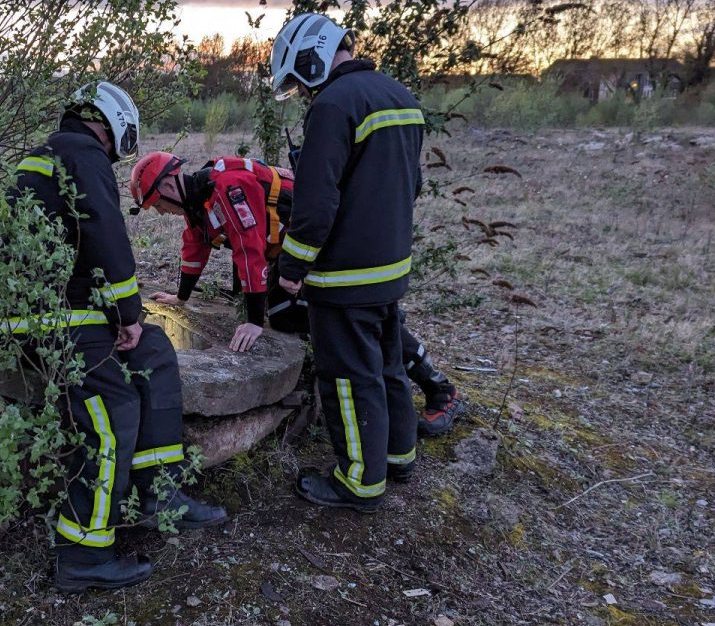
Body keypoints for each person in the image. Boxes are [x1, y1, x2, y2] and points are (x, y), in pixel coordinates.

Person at [0, 81, 226, 593]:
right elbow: (104, 233)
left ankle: (158, 492)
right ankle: (82, 552)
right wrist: (127, 312)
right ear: (113, 125)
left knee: (154, 351)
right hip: (51, 319)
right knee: (113, 407)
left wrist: (131, 324)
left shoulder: (51, 155)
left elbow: (74, 245)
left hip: (60, 309)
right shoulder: (83, 155)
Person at [128, 150, 464, 436]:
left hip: (325, 245)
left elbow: (249, 251)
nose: (159, 212)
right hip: (295, 253)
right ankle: (363, 344)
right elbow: (195, 247)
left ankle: (439, 388)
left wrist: (254, 321)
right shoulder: (198, 201)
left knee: (345, 314)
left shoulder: (228, 188)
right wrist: (181, 298)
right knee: (288, 314)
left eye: (156, 203)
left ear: (168, 184)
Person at [269, 12, 425, 509]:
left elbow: (316, 203)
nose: (302, 91)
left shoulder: (334, 106)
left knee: (349, 378)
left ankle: (359, 481)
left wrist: (292, 269)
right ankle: (399, 455)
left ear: (310, 59)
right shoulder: (399, 96)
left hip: (344, 276)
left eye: (297, 80)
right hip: (390, 266)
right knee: (387, 366)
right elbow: (410, 185)